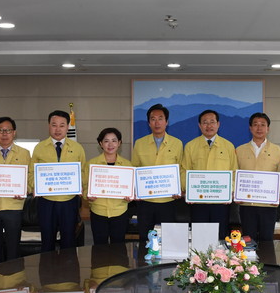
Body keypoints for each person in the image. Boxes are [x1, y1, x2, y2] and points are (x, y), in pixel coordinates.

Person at [30, 110, 86, 250]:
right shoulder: (39, 148)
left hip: (69, 201)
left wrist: (81, 186)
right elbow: (31, 172)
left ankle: (68, 265)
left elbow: (83, 171)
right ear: (48, 126)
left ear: (67, 127)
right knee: (47, 241)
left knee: (69, 240)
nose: (57, 129)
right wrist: (35, 186)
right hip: (46, 201)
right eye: (54, 125)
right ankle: (47, 265)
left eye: (62, 125)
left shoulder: (77, 148)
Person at [0, 117, 32, 267]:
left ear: (14, 133)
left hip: (14, 206)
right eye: (0, 130)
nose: (4, 134)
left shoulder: (24, 153)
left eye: (8, 130)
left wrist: (25, 190)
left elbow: (30, 177)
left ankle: (14, 277)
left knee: (13, 246)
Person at [181, 109, 238, 239]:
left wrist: (229, 191)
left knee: (220, 238)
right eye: (205, 122)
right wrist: (188, 191)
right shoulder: (190, 146)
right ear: (199, 125)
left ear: (218, 124)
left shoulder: (228, 146)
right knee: (199, 239)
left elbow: (234, 172)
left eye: (212, 122)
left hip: (221, 203)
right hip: (198, 203)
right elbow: (184, 171)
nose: (209, 125)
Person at [131, 103, 183, 240]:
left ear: (166, 122)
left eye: (160, 118)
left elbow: (180, 170)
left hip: (168, 200)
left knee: (168, 239)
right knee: (145, 238)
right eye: (153, 119)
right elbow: (134, 169)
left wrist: (179, 188)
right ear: (149, 123)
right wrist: (135, 190)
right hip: (145, 201)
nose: (157, 122)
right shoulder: (139, 143)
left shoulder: (177, 143)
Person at [235, 112, 280, 242]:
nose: (259, 128)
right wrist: (235, 193)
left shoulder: (277, 150)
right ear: (250, 128)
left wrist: (279, 194)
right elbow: (235, 174)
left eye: (263, 125)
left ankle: (267, 257)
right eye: (255, 124)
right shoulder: (240, 150)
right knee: (248, 241)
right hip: (246, 204)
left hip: (269, 204)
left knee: (267, 240)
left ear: (268, 128)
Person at [83, 128, 133, 244]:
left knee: (119, 248)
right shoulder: (91, 164)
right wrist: (88, 195)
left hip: (120, 212)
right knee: (99, 248)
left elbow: (131, 189)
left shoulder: (127, 165)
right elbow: (85, 187)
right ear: (101, 143)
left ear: (119, 143)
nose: (110, 145)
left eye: (114, 141)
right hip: (98, 212)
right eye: (106, 141)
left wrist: (130, 197)